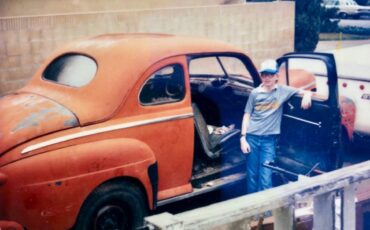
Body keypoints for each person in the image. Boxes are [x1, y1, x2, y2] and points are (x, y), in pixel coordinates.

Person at [240, 59, 312, 194]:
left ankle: (266, 212)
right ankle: (253, 209)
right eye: (264, 75)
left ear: (277, 76)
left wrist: (307, 94)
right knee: (252, 175)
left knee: (266, 176)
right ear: (261, 76)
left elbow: (303, 91)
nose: (267, 78)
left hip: (269, 141)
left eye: (270, 75)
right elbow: (247, 114)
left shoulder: (283, 91)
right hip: (252, 138)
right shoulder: (255, 93)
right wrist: (243, 138)